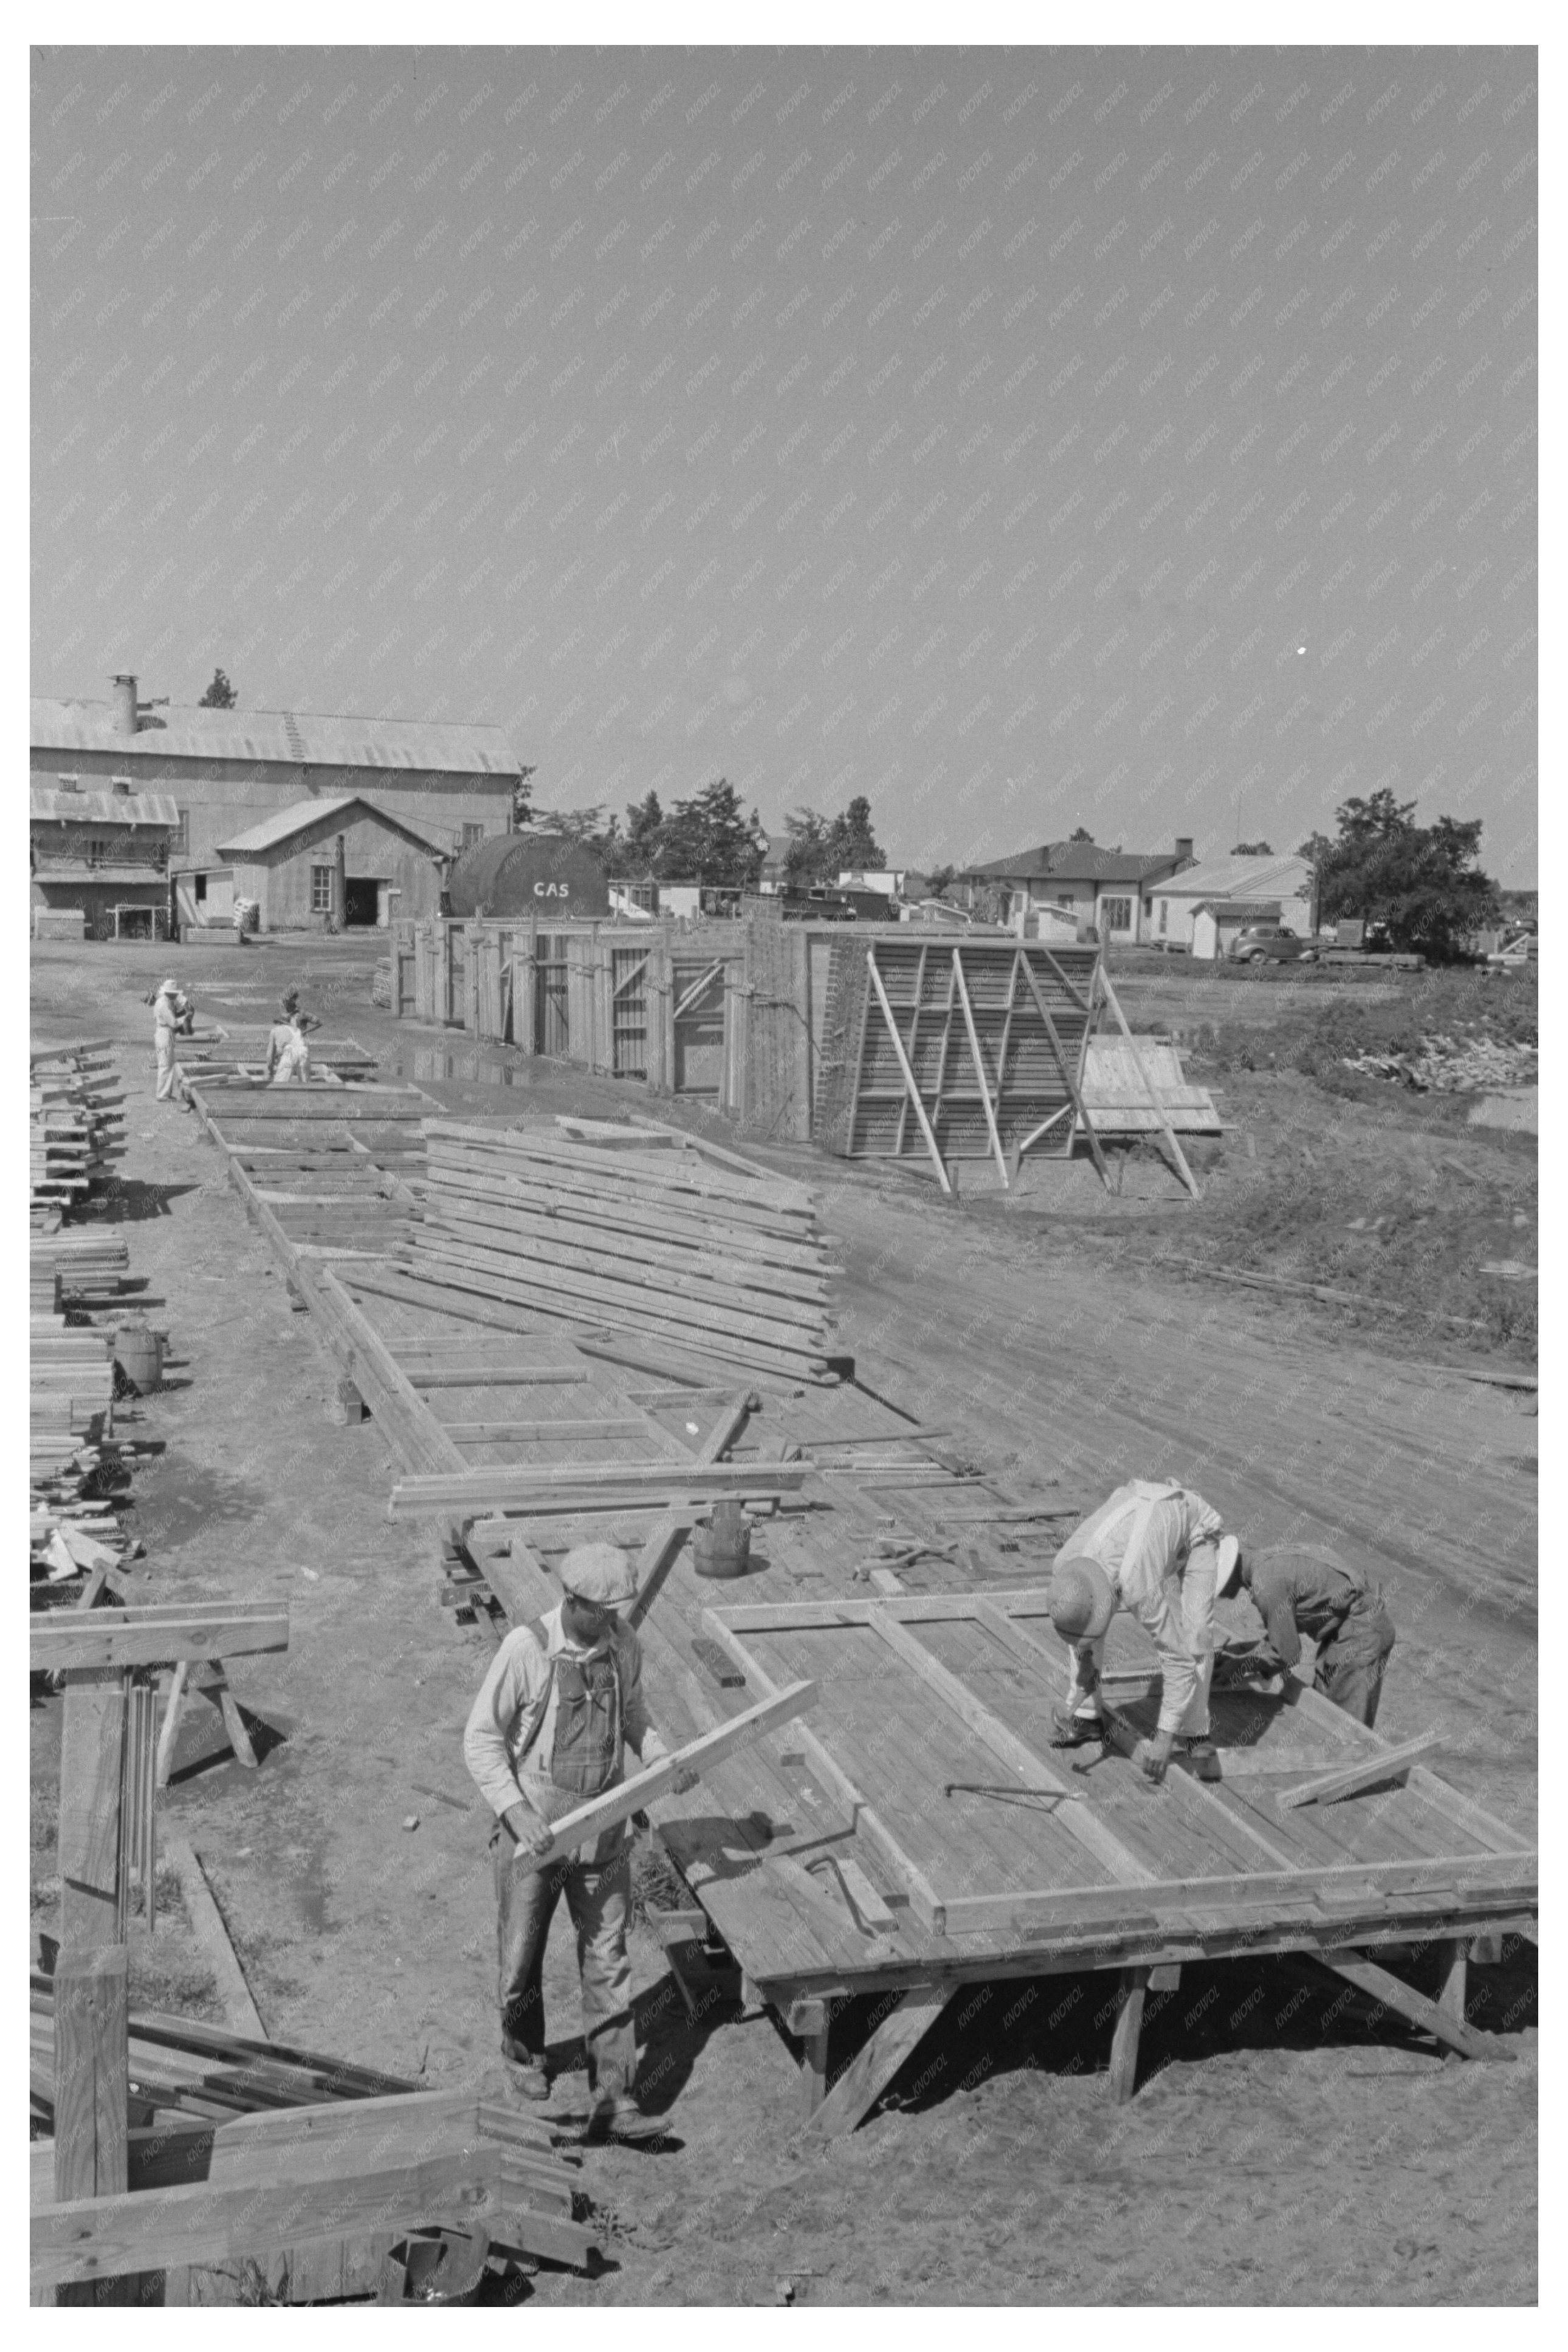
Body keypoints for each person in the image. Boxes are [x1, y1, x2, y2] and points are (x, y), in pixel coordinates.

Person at [462, 1543, 697, 2138]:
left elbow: (635, 1716)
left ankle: (615, 2097)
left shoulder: (624, 1647)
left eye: (619, 1610)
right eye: (601, 1611)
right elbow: (481, 1740)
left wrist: (663, 1757)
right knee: (521, 1958)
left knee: (608, 1960)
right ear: (571, 1600)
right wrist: (516, 1810)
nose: (612, 1620)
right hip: (535, 1833)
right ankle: (523, 2056)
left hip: (604, 1831)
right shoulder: (527, 1650)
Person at [1045, 1478, 1239, 1785]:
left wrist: (1163, 1738)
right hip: (1144, 1520)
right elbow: (1080, 1631)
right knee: (1082, 1626)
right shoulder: (1067, 1569)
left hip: (1196, 1529)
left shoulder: (1138, 1585)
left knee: (1196, 1635)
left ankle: (1195, 1732)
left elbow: (1177, 1660)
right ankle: (1085, 1716)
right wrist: (1085, 1667)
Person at [1228, 1541, 1397, 1727]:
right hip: (1347, 1629)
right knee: (1326, 1709)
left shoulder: (1265, 1583)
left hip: (1362, 1635)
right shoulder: (1263, 1560)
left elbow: (1287, 1654)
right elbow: (1285, 1626)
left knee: (1345, 1730)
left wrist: (1239, 1666)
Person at [152, 977, 191, 1103]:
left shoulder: (166, 1001)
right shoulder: (163, 1004)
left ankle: (166, 1093)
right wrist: (185, 1018)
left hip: (165, 1032)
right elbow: (173, 1023)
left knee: (168, 1064)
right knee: (165, 1065)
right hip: (165, 1033)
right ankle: (162, 1095)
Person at [269, 1009, 311, 1085]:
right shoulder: (298, 1030)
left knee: (279, 1086)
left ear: (279, 1023)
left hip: (289, 1054)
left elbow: (270, 1055)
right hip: (304, 1054)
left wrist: (271, 1072)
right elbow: (304, 1045)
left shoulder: (275, 1030)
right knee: (306, 1085)